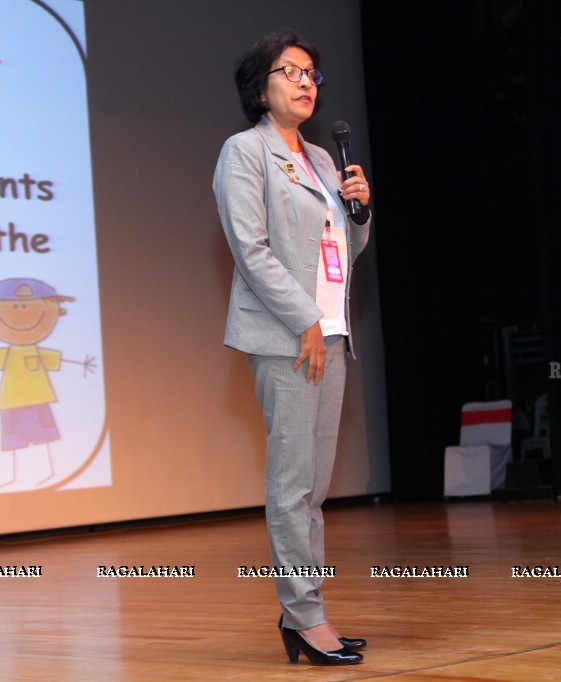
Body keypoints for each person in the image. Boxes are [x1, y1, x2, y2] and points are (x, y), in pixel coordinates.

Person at [213, 31, 372, 666]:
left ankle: (300, 612)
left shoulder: (322, 160)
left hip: (328, 331)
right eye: (291, 72)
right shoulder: (243, 152)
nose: (307, 83)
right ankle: (306, 617)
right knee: (291, 483)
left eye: (312, 73)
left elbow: (339, 256)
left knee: (313, 488)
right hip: (287, 335)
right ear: (261, 88)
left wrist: (359, 215)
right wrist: (305, 320)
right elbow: (249, 249)